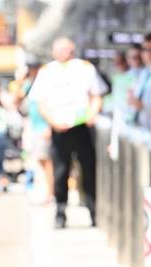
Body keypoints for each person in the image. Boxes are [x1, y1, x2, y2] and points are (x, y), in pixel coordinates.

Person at [29, 37, 105, 228]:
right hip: (59, 128)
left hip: (81, 126)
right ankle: (60, 213)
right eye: (60, 49)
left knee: (88, 170)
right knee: (60, 172)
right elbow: (40, 102)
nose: (64, 53)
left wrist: (92, 114)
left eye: (67, 49)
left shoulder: (85, 68)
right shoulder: (47, 71)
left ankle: (93, 211)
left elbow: (96, 95)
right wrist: (52, 122)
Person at [18, 61, 54, 204]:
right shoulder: (30, 85)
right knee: (39, 160)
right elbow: (17, 99)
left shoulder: (47, 84)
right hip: (35, 127)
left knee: (46, 160)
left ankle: (50, 193)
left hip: (44, 127)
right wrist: (21, 81)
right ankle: (47, 192)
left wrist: (49, 126)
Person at [129, 32, 151, 128]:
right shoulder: (144, 74)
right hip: (141, 127)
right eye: (145, 49)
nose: (148, 54)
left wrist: (143, 107)